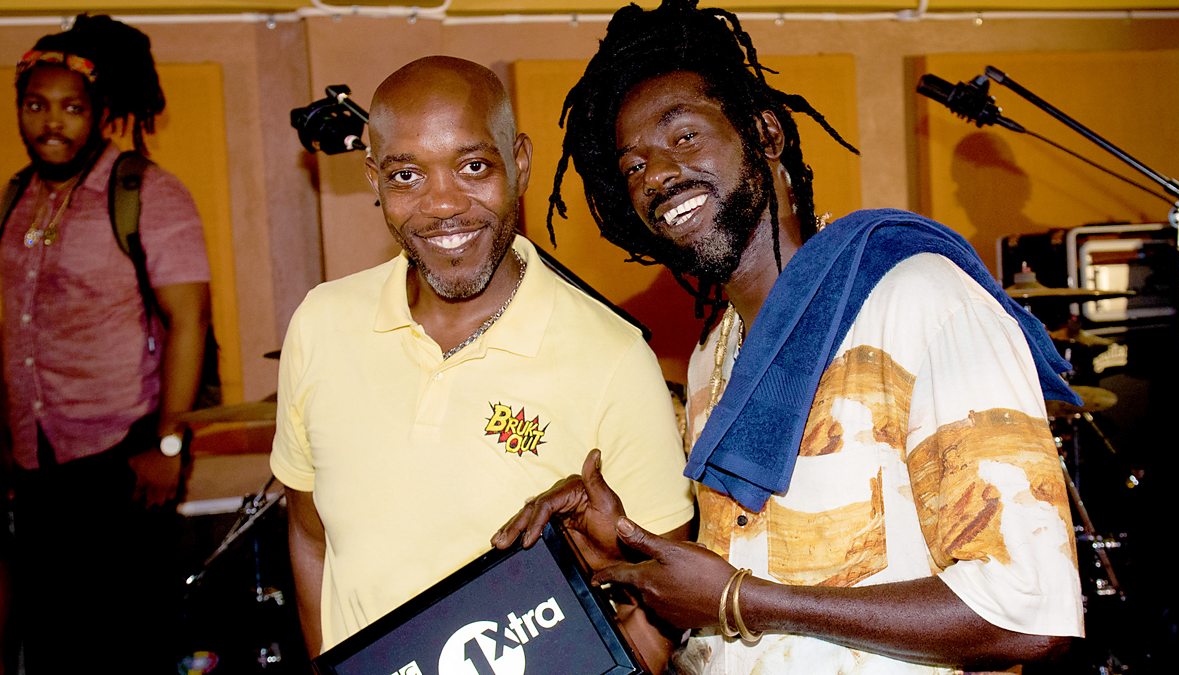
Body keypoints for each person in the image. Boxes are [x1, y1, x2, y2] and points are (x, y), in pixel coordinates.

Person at [492, 1, 1086, 673]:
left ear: (765, 133)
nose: (655, 175)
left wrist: (744, 600)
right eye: (633, 166)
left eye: (683, 136)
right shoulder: (713, 357)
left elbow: (1027, 611)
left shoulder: (919, 298)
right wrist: (623, 550)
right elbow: (734, 611)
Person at [268, 55, 696, 665]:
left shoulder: (614, 359)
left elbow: (663, 607)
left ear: (519, 163)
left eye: (473, 167)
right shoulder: (321, 324)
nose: (443, 204)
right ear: (373, 181)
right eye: (406, 176)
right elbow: (311, 540)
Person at [0, 14, 212, 673]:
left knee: (126, 647)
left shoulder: (146, 192)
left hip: (122, 463)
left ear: (98, 113)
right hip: (35, 467)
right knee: (53, 646)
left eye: (71, 108)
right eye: (36, 105)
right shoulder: (16, 198)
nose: (51, 123)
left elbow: (189, 322)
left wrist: (167, 446)